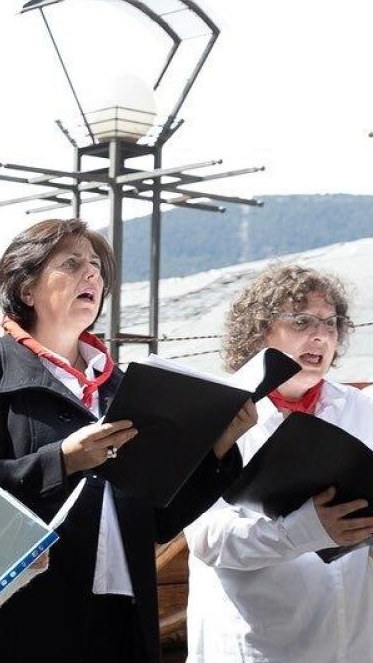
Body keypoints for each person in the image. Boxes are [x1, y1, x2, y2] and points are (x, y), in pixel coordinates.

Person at [0, 218, 252, 663]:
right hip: (25, 617)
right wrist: (64, 460)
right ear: (26, 289)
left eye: (96, 267)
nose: (91, 274)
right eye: (71, 264)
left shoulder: (120, 383)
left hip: (123, 613)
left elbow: (158, 520)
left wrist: (218, 449)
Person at [184, 264, 373, 662]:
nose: (321, 335)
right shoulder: (216, 414)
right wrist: (303, 531)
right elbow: (206, 538)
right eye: (301, 321)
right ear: (259, 331)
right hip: (256, 647)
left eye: (330, 323)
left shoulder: (362, 409)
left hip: (352, 644)